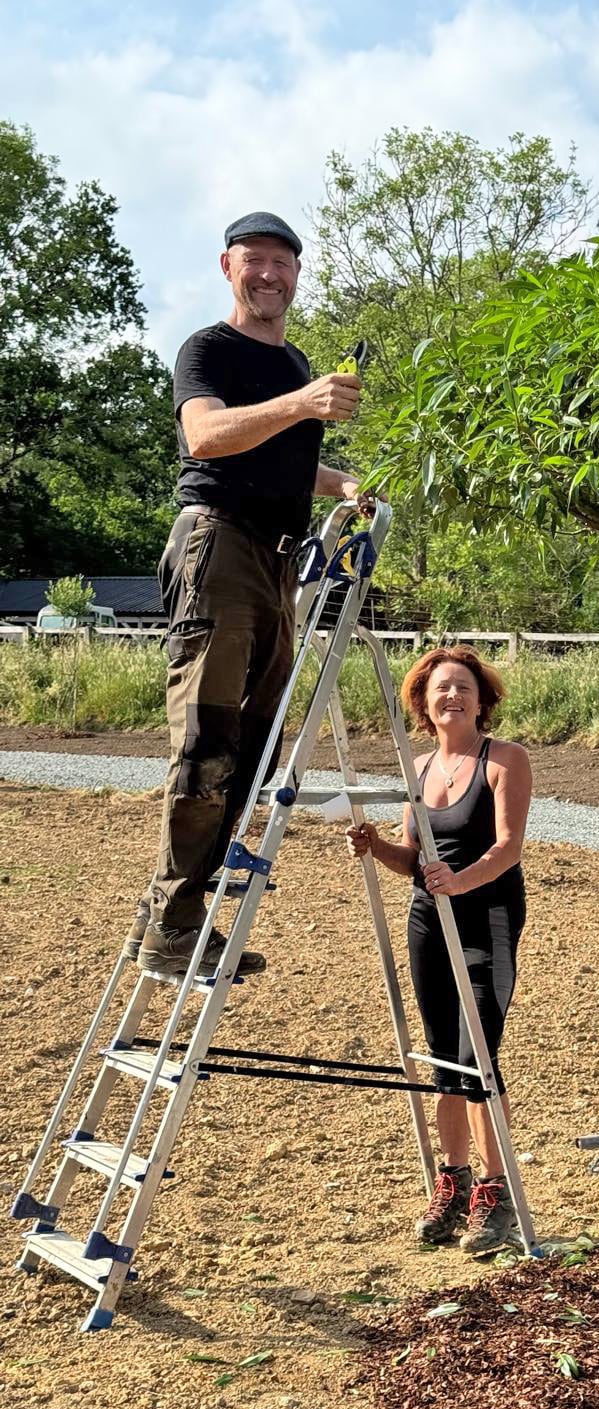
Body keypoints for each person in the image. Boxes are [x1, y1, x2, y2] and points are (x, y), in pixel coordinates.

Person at [127, 210, 369, 979]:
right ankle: (171, 925)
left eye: (283, 264)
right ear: (226, 268)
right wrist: (303, 406)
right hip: (218, 544)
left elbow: (283, 461)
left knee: (254, 750)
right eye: (254, 261)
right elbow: (207, 438)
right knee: (206, 743)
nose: (270, 275)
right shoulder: (209, 350)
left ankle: (174, 914)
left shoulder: (295, 362)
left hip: (279, 561)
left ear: (298, 276)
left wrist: (342, 483)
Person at [345, 647, 532, 1256]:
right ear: (424, 703)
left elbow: (508, 848)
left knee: (478, 1053)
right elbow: (412, 859)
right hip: (430, 921)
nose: (452, 697)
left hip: (487, 918)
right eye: (440, 689)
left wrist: (462, 880)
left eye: (463, 688)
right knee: (443, 1057)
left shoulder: (505, 761)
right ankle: (452, 1181)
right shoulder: (418, 769)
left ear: (482, 701)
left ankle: (495, 1191)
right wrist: (375, 846)